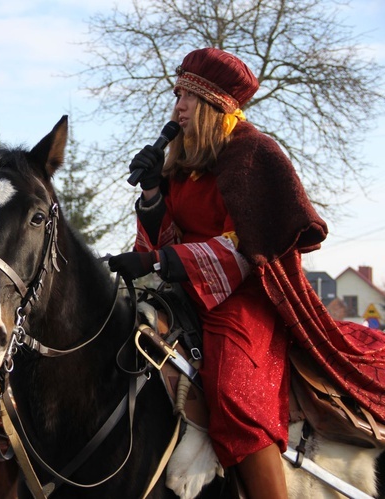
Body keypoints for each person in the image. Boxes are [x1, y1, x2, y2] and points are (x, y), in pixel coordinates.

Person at [108, 47, 385, 498]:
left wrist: (157, 262)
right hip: (186, 294)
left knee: (237, 391)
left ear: (215, 103)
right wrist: (154, 192)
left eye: (188, 97)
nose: (177, 105)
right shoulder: (186, 161)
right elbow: (169, 236)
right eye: (177, 94)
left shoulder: (254, 153)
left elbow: (246, 249)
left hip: (246, 301)